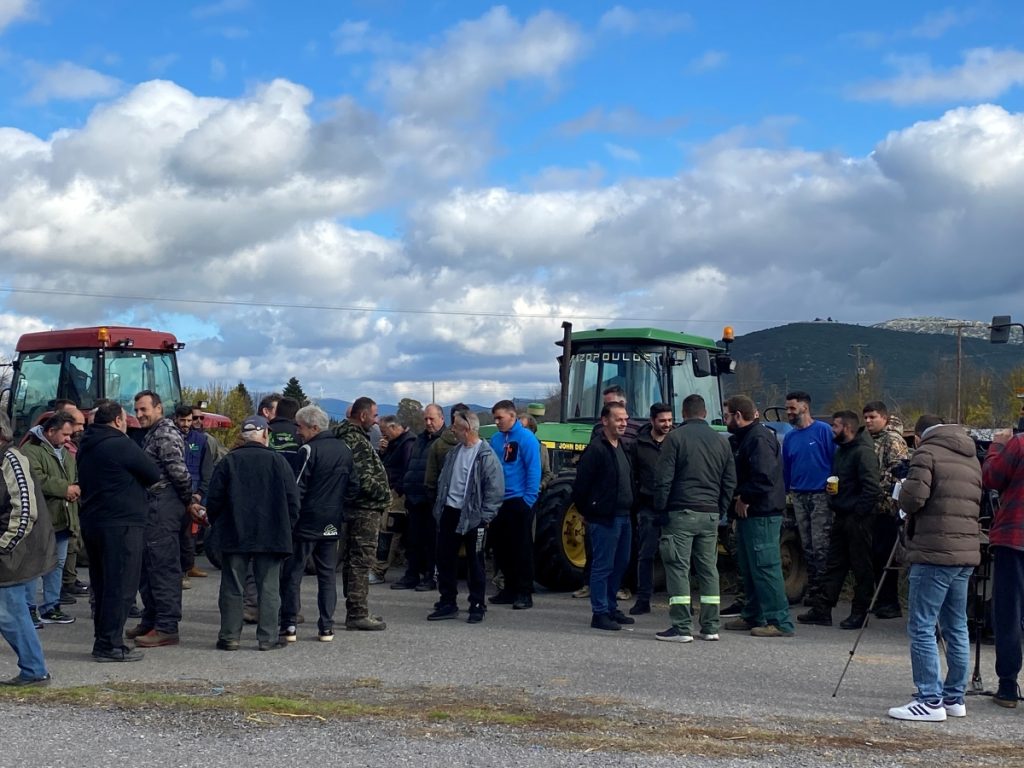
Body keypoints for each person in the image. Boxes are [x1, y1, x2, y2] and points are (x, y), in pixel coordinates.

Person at [884, 415, 981, 722]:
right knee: (957, 626)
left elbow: (914, 499)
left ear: (919, 436)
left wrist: (900, 493)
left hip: (934, 550)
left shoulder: (926, 452)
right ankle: (954, 697)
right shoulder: (972, 457)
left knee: (922, 625)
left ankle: (929, 699)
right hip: (966, 550)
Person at [77, 400, 161, 662]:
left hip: (94, 521)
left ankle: (102, 639)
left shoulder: (86, 445)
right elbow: (152, 472)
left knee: (102, 585)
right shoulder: (120, 443)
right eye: (126, 418)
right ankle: (111, 645)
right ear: (117, 421)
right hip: (122, 523)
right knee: (121, 586)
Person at [207, 415, 300, 651]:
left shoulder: (229, 462)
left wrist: (217, 523)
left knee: (232, 585)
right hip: (271, 534)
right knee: (268, 587)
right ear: (265, 434)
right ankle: (267, 638)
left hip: (234, 532)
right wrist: (286, 526)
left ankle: (229, 636)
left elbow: (214, 500)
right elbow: (293, 502)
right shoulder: (279, 462)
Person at [652, 394, 736, 642]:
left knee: (678, 567)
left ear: (683, 413)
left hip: (681, 513)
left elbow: (663, 478)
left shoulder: (675, 438)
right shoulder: (722, 441)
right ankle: (710, 627)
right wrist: (719, 509)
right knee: (709, 569)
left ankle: (681, 627)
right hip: (709, 514)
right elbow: (730, 480)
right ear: (705, 412)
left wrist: (661, 509)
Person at [279, 406, 358, 642]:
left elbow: (297, 488)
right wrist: (340, 510)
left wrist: (291, 518)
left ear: (314, 427)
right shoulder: (344, 449)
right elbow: (354, 486)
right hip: (332, 521)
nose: (297, 431)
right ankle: (326, 627)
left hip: (306, 521)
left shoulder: (308, 450)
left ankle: (290, 625)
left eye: (300, 427)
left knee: (293, 573)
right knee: (327, 575)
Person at [127, 390, 199, 648]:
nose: (139, 414)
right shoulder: (153, 433)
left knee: (163, 567)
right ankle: (150, 619)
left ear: (158, 408)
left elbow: (179, 472)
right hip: (154, 504)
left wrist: (187, 499)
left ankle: (166, 627)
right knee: (149, 567)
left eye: (144, 409)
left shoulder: (166, 432)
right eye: (136, 410)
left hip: (164, 504)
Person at [798, 411, 881, 630]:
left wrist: (858, 513)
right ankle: (822, 609)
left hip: (858, 518)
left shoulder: (863, 453)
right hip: (841, 514)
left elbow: (872, 488)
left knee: (861, 566)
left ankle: (859, 612)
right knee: (834, 564)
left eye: (835, 426)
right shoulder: (842, 451)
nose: (832, 430)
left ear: (847, 428)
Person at [722, 395, 795, 638]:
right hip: (748, 514)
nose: (725, 420)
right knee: (749, 566)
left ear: (738, 416)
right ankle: (753, 613)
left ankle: (779, 620)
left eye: (727, 415)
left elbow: (764, 476)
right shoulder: (744, 439)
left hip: (762, 513)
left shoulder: (759, 438)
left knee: (766, 566)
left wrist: (745, 497)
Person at [429, 410, 504, 623]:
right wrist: (440, 509)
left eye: (456, 426)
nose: (452, 430)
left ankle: (477, 604)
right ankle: (447, 602)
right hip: (450, 513)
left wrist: (485, 517)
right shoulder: (454, 453)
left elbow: (496, 490)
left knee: (475, 561)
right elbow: (443, 481)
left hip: (474, 516)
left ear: (468, 429)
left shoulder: (486, 456)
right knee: (445, 559)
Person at [0, 411, 56, 686]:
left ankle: (34, 671)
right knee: (12, 611)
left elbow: (23, 513)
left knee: (10, 612)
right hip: (12, 550)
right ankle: (34, 669)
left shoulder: (12, 459)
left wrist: (3, 546)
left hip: (15, 552)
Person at [574, 402, 635, 631]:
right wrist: (587, 511)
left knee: (621, 564)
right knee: (603, 566)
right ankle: (599, 613)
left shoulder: (622, 447)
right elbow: (581, 486)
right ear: (605, 421)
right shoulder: (596, 450)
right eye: (619, 419)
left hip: (625, 516)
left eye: (625, 419)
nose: (623, 423)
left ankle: (611, 607)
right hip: (604, 518)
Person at [333, 397, 390, 631]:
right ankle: (357, 612)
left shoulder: (349, 436)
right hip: (364, 508)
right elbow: (362, 477)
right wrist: (383, 494)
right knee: (360, 560)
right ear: (363, 415)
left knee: (353, 561)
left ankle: (356, 608)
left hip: (356, 506)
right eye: (374, 415)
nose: (376, 421)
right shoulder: (354, 439)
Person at [20, 411, 80, 626]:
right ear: (50, 431)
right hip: (41, 518)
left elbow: (74, 477)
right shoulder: (30, 451)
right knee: (33, 565)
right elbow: (36, 479)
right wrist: (66, 489)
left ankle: (51, 607)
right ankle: (28, 609)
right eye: (64, 434)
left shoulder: (66, 453)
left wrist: (75, 489)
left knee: (57, 563)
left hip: (62, 518)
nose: (68, 439)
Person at [982, 423, 1024, 707]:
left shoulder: (1019, 444)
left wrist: (996, 446)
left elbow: (991, 478)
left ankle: (1008, 686)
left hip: (1015, 538)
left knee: (1009, 612)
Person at [781, 391, 835, 603]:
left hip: (821, 495)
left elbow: (834, 461)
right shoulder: (790, 437)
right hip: (798, 494)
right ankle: (812, 589)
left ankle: (823, 592)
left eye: (792, 408)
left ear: (804, 407)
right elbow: (787, 468)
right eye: (787, 408)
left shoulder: (823, 431)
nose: (789, 412)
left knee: (820, 544)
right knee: (806, 544)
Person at [488, 399, 541, 610]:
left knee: (521, 549)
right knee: (501, 549)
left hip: (518, 501)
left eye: (500, 417)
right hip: (499, 501)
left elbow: (533, 470)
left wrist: (528, 500)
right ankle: (508, 589)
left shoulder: (527, 439)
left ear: (512, 416)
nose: (497, 421)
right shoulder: (495, 439)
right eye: (495, 418)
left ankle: (524, 592)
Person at [862, 401, 909, 619]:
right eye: (866, 417)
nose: (868, 421)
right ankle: (879, 599)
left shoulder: (893, 441)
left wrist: (879, 492)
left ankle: (889, 602)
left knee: (884, 555)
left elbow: (898, 473)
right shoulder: (867, 440)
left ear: (884, 418)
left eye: (873, 417)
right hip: (869, 507)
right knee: (873, 554)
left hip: (886, 508)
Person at [394, 404, 447, 591]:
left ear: (442, 418)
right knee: (413, 540)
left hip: (431, 500)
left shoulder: (445, 441)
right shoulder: (420, 440)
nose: (428, 422)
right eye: (426, 419)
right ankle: (412, 574)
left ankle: (430, 576)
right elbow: (411, 465)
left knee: (431, 542)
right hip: (414, 497)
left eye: (432, 419)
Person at [627, 403, 673, 615]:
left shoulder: (676, 442)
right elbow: (632, 475)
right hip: (648, 507)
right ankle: (643, 599)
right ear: (652, 420)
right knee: (645, 555)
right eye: (663, 421)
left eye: (670, 420)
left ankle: (680, 600)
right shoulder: (638, 445)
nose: (667, 424)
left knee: (675, 556)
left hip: (672, 508)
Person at [372, 415, 415, 584]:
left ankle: (379, 569)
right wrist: (383, 451)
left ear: (394, 427)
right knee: (386, 530)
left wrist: (398, 489)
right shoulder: (394, 444)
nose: (383, 435)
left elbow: (407, 468)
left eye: (384, 431)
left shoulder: (408, 444)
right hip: (391, 490)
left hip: (397, 494)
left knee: (389, 530)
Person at [173, 405, 214, 583]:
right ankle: (178, 573)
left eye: (190, 420)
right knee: (175, 533)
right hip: (173, 494)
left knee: (190, 533)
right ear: (176, 418)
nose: (187, 424)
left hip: (194, 493)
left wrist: (200, 493)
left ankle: (188, 568)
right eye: (183, 420)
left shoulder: (201, 440)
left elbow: (207, 469)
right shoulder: (170, 437)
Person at [518, 414, 555, 493]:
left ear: (531, 430)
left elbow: (547, 473)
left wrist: (541, 485)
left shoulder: (542, 449)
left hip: (533, 495)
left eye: (522, 428)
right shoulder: (511, 447)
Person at [268, 396, 303, 476]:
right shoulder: (300, 433)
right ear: (296, 414)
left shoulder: (265, 431)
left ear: (276, 412)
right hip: (293, 481)